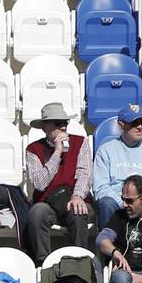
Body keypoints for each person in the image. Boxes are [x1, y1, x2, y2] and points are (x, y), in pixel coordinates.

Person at [24, 102, 92, 263]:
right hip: (47, 203)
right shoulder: (33, 149)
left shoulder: (80, 142)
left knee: (78, 210)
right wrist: (57, 152)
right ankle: (43, 264)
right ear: (45, 126)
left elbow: (85, 173)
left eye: (65, 123)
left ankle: (80, 263)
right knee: (37, 212)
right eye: (57, 123)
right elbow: (40, 184)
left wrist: (77, 196)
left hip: (73, 198)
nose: (63, 127)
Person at [93, 104, 142, 227]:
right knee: (105, 203)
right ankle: (108, 244)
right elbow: (101, 188)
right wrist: (127, 203)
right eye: (134, 123)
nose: (139, 127)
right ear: (121, 125)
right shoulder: (106, 150)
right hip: (119, 205)